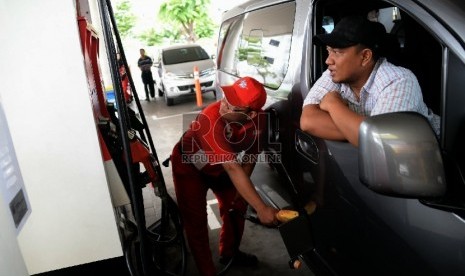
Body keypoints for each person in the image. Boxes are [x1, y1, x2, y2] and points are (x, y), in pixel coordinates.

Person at [170, 76, 279, 276]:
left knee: (237, 206)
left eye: (233, 106)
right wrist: (261, 208)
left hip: (219, 168)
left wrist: (241, 194)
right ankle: (207, 271)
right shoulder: (210, 118)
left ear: (252, 114)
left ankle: (230, 253)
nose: (224, 106)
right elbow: (231, 167)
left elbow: (251, 156)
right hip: (190, 167)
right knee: (196, 222)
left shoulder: (260, 120)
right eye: (226, 97)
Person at [300, 15, 440, 147]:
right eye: (328, 51)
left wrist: (333, 104)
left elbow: (379, 144)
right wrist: (356, 130)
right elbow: (308, 121)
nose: (328, 60)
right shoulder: (334, 73)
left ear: (365, 57)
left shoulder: (398, 81)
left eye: (337, 52)